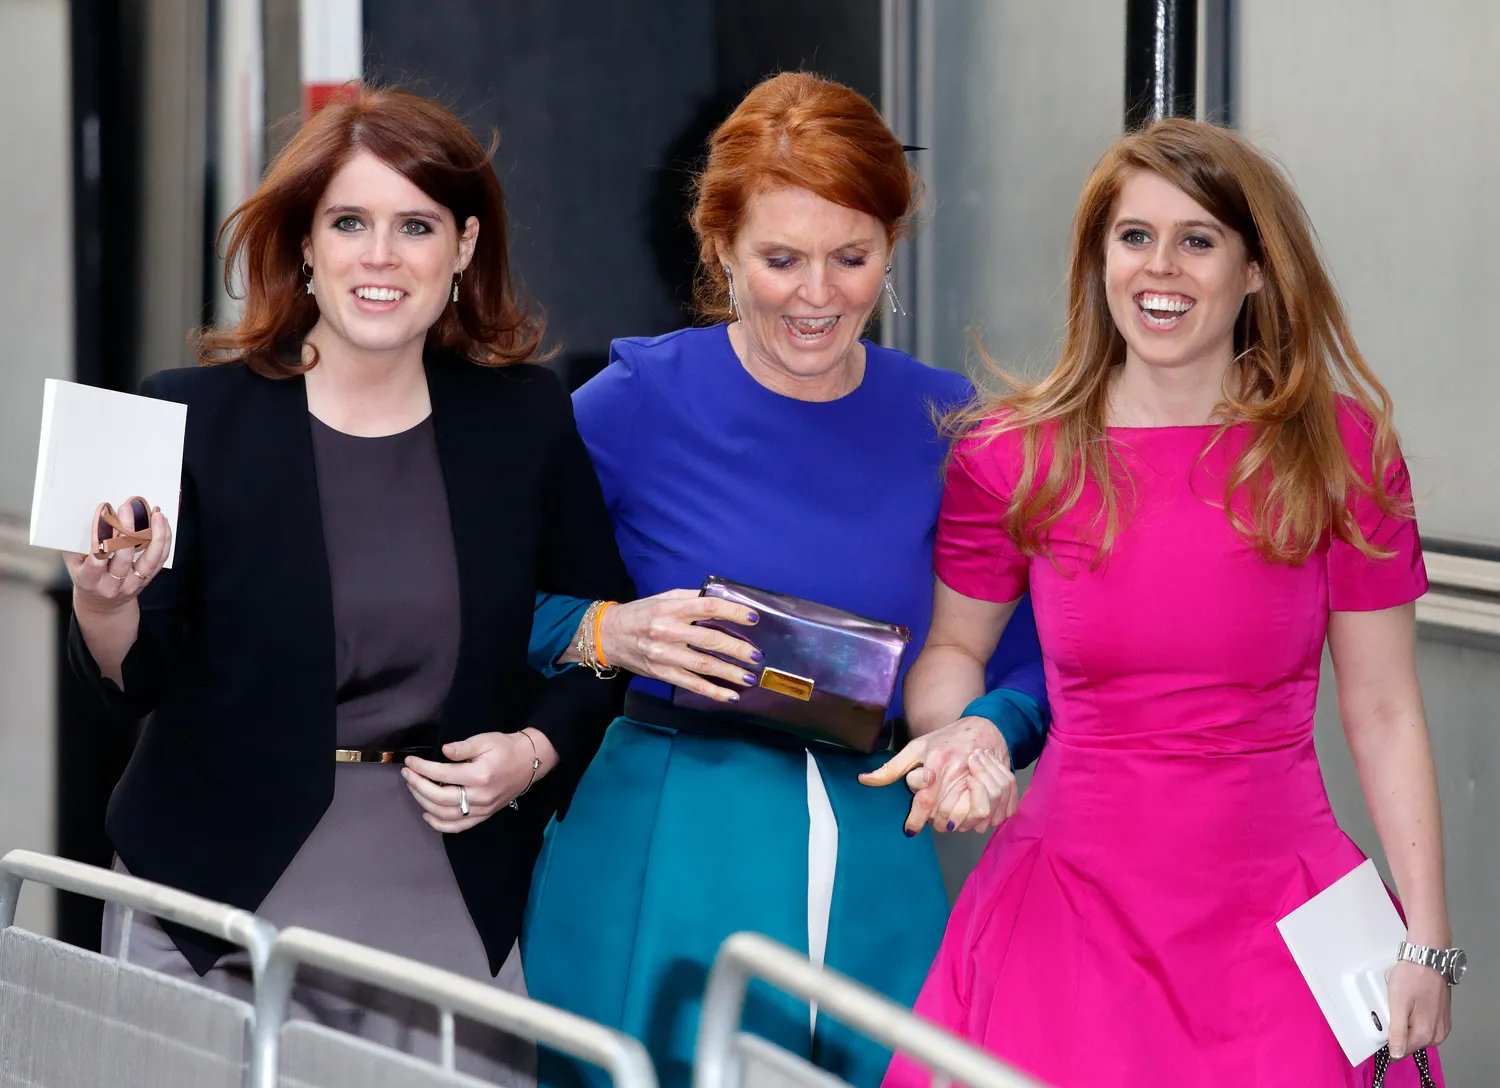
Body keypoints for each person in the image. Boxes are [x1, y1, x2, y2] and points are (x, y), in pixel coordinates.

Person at [869, 118, 1458, 1088]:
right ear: (1098, 259)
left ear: (1256, 269)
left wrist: (1427, 941)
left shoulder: (1340, 452)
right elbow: (951, 657)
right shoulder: (1012, 454)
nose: (1161, 266)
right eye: (1133, 236)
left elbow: (1385, 708)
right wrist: (962, 734)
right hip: (1063, 911)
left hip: (1278, 917)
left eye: (1198, 239)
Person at [66, 87, 632, 1084]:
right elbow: (137, 672)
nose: (381, 255)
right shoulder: (189, 412)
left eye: (415, 225)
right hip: (211, 893)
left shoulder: (524, 421)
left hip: (448, 891)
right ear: (306, 247)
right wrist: (105, 599)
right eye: (350, 223)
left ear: (462, 247)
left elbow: (601, 638)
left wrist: (534, 751)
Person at [521, 72, 1049, 1088]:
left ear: (892, 248)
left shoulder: (949, 424)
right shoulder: (631, 403)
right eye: (780, 258)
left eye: (851, 257)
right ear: (718, 249)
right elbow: (496, 602)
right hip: (664, 839)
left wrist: (987, 731)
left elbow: (1025, 657)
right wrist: (607, 631)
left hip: (879, 849)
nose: (817, 294)